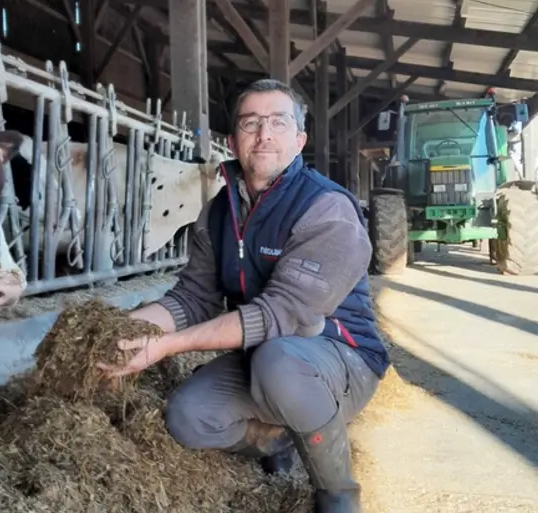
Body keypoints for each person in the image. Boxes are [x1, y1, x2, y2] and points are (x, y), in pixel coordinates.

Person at [97, 78, 390, 513]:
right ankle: (272, 439)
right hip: (265, 354)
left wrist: (167, 346)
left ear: (299, 139)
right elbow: (192, 297)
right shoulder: (219, 212)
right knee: (187, 417)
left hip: (338, 357)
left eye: (277, 122)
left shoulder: (327, 209)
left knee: (278, 361)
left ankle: (337, 494)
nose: (264, 134)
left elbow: (281, 315)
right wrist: (128, 332)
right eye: (250, 123)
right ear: (233, 141)